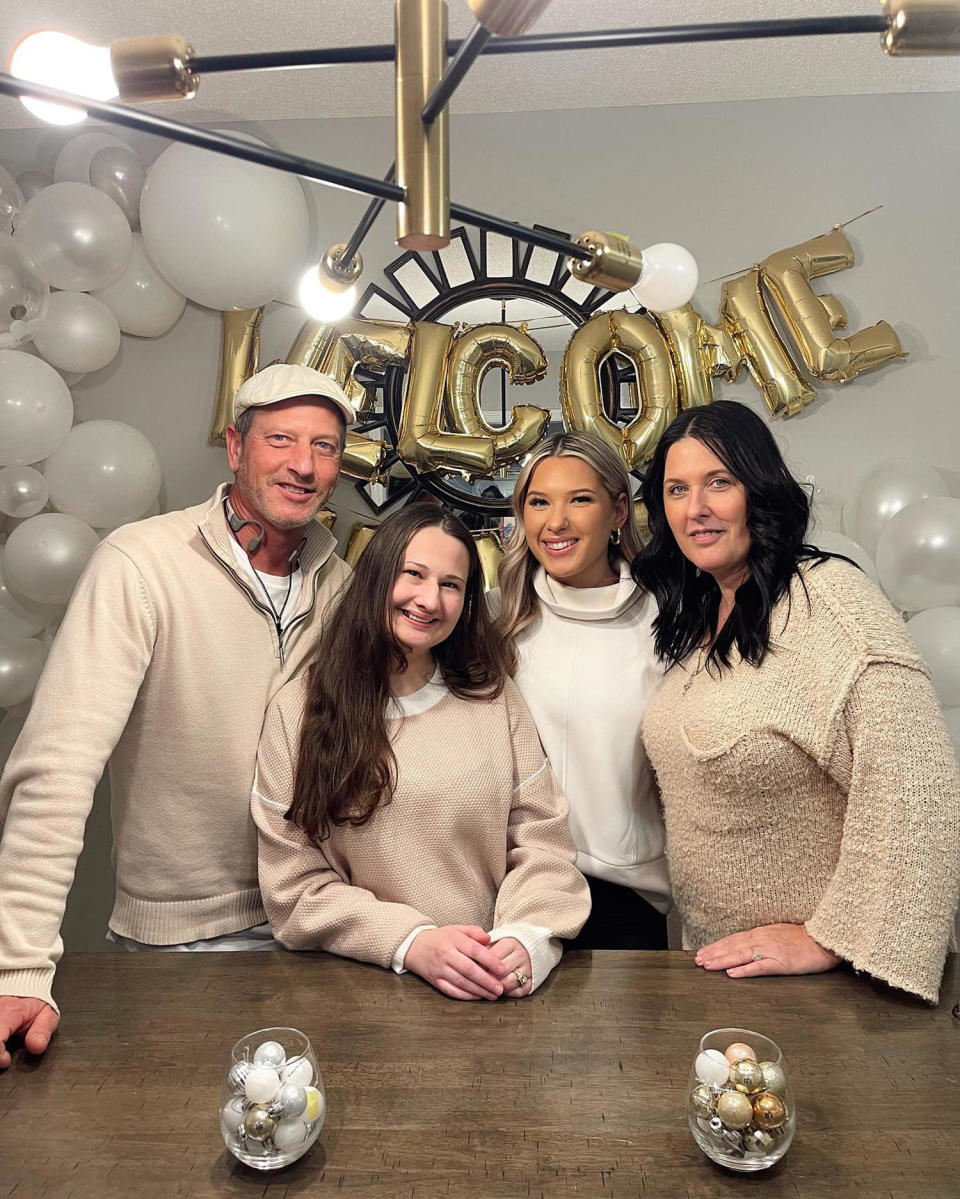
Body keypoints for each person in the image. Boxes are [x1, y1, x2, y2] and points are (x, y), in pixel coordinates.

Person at [0, 363, 355, 1068]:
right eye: (281, 438)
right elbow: (58, 766)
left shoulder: (338, 582)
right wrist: (16, 966)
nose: (303, 464)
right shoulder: (141, 562)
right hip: (179, 939)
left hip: (313, 919)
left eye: (324, 446)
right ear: (234, 445)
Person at [634, 399, 960, 1003]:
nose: (696, 508)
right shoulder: (701, 613)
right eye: (677, 490)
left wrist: (832, 939)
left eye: (719, 483)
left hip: (832, 986)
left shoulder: (833, 601)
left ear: (760, 490)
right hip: (727, 970)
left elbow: (918, 790)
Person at [253, 503, 590, 999]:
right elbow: (293, 886)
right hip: (356, 991)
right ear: (378, 575)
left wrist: (525, 936)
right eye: (413, 574)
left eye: (451, 585)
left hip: (489, 981)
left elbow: (544, 842)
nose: (430, 599)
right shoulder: (297, 711)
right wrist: (412, 942)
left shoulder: (492, 697)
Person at [492, 432, 671, 950]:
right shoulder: (499, 623)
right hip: (513, 889)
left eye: (580, 500)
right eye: (539, 501)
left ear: (618, 511)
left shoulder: (667, 625)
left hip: (627, 900)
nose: (556, 522)